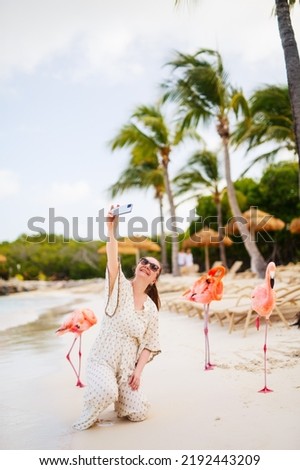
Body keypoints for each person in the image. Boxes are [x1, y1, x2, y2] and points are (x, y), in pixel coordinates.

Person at [72, 206, 161, 431]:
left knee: (139, 412)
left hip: (126, 368)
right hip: (103, 358)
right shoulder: (119, 286)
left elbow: (150, 344)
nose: (147, 266)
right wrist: (111, 227)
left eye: (154, 267)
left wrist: (137, 373)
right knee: (105, 392)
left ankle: (120, 401)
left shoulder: (151, 309)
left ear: (154, 279)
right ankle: (92, 406)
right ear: (138, 266)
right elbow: (113, 259)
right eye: (144, 262)